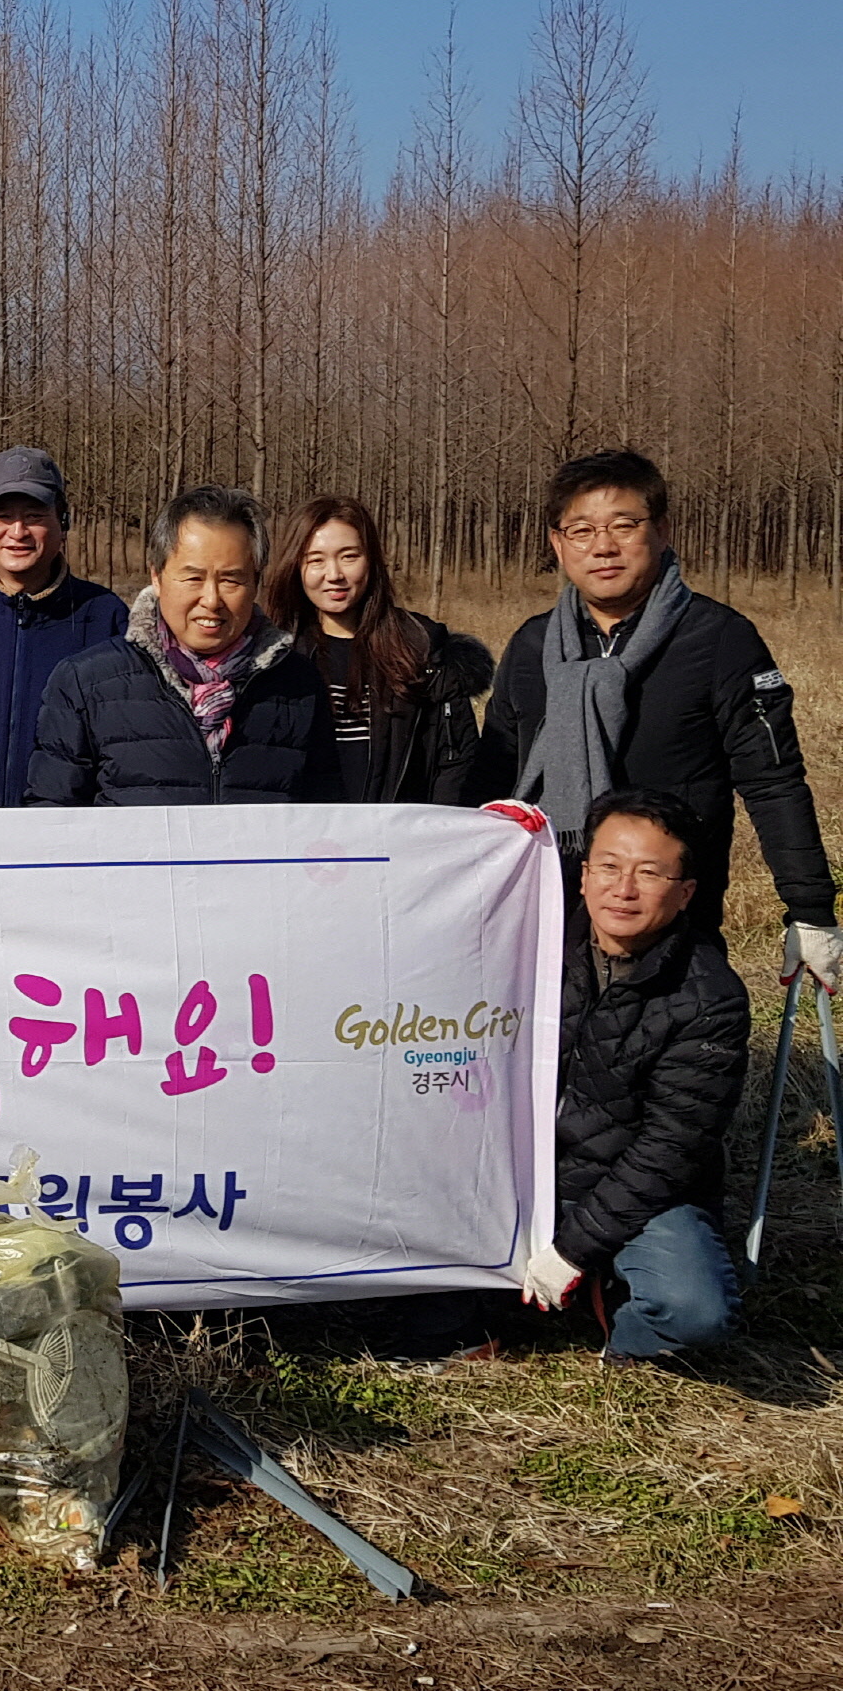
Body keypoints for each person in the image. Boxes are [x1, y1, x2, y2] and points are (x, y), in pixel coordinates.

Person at [472, 450, 840, 983]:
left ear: (661, 530)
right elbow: (494, 779)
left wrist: (808, 907)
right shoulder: (533, 647)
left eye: (624, 525)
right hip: (549, 916)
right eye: (581, 531)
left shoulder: (717, 639)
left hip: (675, 925)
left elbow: (772, 779)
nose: (603, 546)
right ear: (557, 543)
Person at [518, 790, 750, 1363]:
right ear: (582, 875)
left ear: (686, 892)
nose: (623, 890)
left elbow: (670, 1150)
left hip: (638, 1188)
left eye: (649, 874)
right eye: (609, 867)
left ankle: (614, 1315)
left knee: (693, 1311)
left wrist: (572, 1251)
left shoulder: (709, 998)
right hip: (523, 1175)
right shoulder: (533, 943)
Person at [25, 486, 339, 807]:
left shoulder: (298, 685)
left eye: (231, 579)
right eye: (193, 578)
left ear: (256, 583)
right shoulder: (87, 683)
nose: (212, 599)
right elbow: (51, 822)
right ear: (157, 577)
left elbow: (326, 820)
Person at [0, 446, 127, 807]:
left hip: (64, 837)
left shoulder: (105, 616)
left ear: (62, 520)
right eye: (1, 516)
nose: (17, 532)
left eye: (34, 515)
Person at [265, 494, 491, 806]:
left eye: (349, 556)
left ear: (371, 559)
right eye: (315, 560)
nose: (334, 574)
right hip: (306, 845)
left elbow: (455, 767)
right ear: (295, 567)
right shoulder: (273, 657)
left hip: (399, 845)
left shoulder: (423, 650)